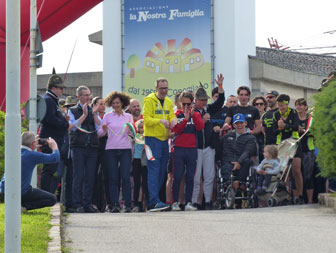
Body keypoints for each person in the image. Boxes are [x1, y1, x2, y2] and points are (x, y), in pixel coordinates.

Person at [143, 77, 177, 212]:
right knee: (153, 170)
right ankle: (153, 201)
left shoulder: (168, 102)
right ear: (156, 88)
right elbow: (146, 119)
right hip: (151, 140)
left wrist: (173, 120)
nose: (164, 91)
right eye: (162, 88)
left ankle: (156, 200)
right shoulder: (149, 100)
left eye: (166, 88)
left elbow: (171, 115)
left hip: (163, 141)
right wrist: (160, 121)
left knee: (162, 171)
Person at [192, 73, 225, 210]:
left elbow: (220, 102)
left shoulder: (209, 109)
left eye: (205, 99)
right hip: (197, 146)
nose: (204, 102)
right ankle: (194, 201)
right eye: (201, 100)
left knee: (209, 175)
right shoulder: (192, 111)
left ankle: (207, 201)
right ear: (196, 100)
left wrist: (220, 86)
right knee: (196, 176)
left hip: (209, 146)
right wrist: (202, 120)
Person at [98, 91, 133, 213]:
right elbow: (100, 134)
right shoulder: (107, 116)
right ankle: (115, 204)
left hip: (125, 149)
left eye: (118, 102)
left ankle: (128, 205)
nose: (116, 105)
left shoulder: (128, 116)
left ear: (122, 103)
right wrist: (103, 130)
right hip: (111, 150)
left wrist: (132, 132)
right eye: (113, 103)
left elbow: (132, 132)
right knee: (113, 178)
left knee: (125, 177)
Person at [68, 86, 100, 213]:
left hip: (92, 146)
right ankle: (77, 204)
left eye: (89, 95)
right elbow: (72, 127)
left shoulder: (93, 109)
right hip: (78, 147)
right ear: (79, 97)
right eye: (86, 95)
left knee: (90, 176)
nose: (88, 97)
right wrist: (84, 115)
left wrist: (93, 114)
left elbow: (100, 126)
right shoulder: (72, 110)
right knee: (78, 176)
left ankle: (87, 203)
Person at [171, 91, 204, 211]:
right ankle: (175, 202)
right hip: (179, 149)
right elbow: (177, 130)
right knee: (177, 176)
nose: (185, 107)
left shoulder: (195, 114)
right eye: (183, 104)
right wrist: (185, 119)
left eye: (188, 104)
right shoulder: (175, 114)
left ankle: (189, 202)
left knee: (190, 177)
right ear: (179, 103)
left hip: (191, 149)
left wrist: (193, 115)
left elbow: (200, 127)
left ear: (192, 103)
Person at [39, 74, 70, 193]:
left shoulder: (52, 100)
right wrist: (65, 124)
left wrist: (63, 119)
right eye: (60, 88)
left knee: (51, 169)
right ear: (53, 88)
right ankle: (45, 195)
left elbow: (53, 118)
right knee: (49, 169)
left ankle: (46, 195)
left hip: (54, 139)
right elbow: (50, 119)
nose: (62, 90)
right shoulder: (48, 100)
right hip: (50, 139)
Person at [272, 94, 302, 203]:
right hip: (282, 144)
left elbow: (296, 127)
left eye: (283, 105)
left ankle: (299, 194)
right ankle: (286, 195)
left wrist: (285, 126)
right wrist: (280, 128)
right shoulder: (276, 114)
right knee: (285, 171)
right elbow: (274, 131)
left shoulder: (293, 112)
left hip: (294, 142)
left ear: (287, 104)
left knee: (296, 170)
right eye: (279, 106)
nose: (281, 108)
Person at [20, 131, 59, 212]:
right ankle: (24, 207)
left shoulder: (16, 151)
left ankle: (20, 204)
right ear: (33, 143)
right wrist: (54, 146)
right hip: (21, 192)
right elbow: (55, 158)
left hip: (4, 190)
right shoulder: (32, 155)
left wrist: (33, 146)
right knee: (52, 199)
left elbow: (27, 156)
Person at [219, 114, 257, 183]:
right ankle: (230, 186)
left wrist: (239, 162)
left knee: (247, 162)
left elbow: (247, 151)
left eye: (241, 123)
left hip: (242, 163)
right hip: (228, 162)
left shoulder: (251, 138)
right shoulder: (227, 136)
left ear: (245, 123)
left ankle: (239, 184)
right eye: (237, 123)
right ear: (233, 125)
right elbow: (218, 146)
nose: (239, 125)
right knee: (226, 168)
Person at [91, 96, 110, 212]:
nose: (103, 106)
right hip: (95, 147)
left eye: (104, 104)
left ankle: (104, 203)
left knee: (104, 176)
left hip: (106, 147)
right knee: (95, 175)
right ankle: (95, 202)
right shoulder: (92, 116)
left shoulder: (107, 117)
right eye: (100, 104)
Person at [295, 98, 315, 204]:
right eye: (297, 105)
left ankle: (310, 200)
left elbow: (315, 133)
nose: (299, 107)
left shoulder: (311, 118)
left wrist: (304, 132)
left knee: (308, 175)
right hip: (296, 149)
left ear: (306, 107)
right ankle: (298, 197)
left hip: (308, 149)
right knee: (297, 174)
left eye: (301, 105)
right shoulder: (294, 118)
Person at [132, 119, 149, 212]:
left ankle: (146, 203)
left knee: (145, 183)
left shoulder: (147, 137)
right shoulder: (136, 137)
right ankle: (136, 203)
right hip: (136, 161)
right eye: (140, 127)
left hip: (145, 162)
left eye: (144, 127)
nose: (142, 129)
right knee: (137, 183)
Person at [252, 96, 267, 162]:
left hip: (265, 140)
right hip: (254, 139)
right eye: (256, 104)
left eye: (261, 104)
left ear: (265, 105)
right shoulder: (251, 116)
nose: (259, 106)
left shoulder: (268, 115)